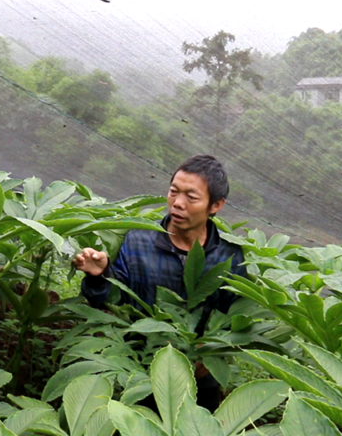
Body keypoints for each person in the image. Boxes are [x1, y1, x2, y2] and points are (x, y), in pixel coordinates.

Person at [73, 154, 246, 411]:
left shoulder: (228, 254)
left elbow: (237, 316)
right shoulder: (140, 238)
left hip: (200, 382)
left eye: (191, 197)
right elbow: (114, 299)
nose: (177, 203)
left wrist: (208, 352)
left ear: (216, 205)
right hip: (142, 373)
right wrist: (100, 275)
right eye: (173, 192)